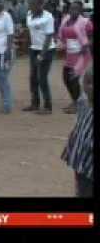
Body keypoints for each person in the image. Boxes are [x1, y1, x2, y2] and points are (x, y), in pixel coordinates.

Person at [61, 66, 93, 197]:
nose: (90, 87)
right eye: (88, 83)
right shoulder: (83, 102)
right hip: (81, 164)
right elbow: (79, 127)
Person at [57, 0, 93, 114]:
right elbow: (62, 35)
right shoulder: (66, 21)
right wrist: (60, 45)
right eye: (71, 8)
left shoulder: (86, 22)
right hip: (69, 54)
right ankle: (75, 101)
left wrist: (87, 45)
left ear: (81, 10)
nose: (73, 11)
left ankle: (78, 105)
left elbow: (92, 38)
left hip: (81, 54)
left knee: (74, 79)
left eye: (76, 9)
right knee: (66, 78)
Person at [23, 0, 56, 115]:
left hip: (46, 50)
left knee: (42, 78)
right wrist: (28, 46)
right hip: (34, 49)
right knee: (33, 78)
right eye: (29, 3)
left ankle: (48, 106)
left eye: (31, 3)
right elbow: (30, 31)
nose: (29, 5)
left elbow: (48, 37)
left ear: (40, 3)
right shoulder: (29, 14)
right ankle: (35, 103)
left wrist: (42, 55)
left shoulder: (48, 17)